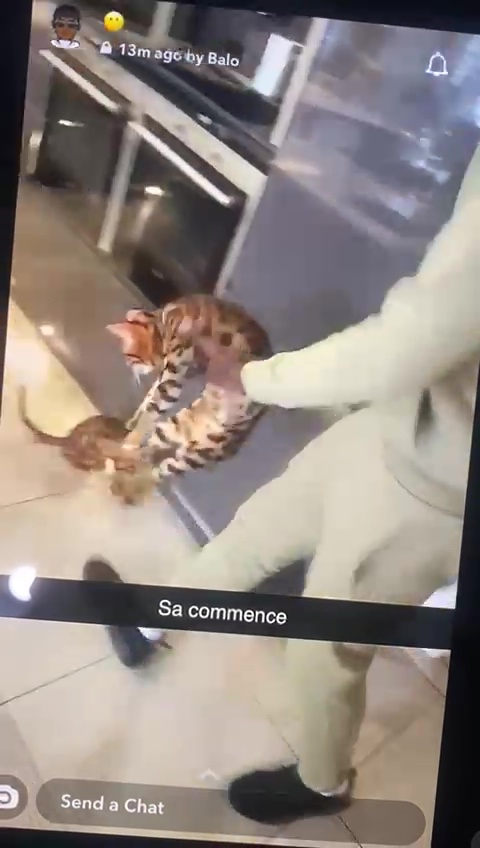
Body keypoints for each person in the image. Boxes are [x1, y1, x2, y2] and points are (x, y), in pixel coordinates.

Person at [84, 143, 480, 825]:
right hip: (388, 427)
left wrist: (254, 380)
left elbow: (403, 345)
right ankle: (150, 626)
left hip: (433, 489)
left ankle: (324, 783)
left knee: (322, 649)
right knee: (253, 536)